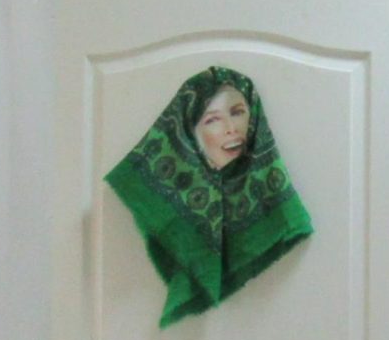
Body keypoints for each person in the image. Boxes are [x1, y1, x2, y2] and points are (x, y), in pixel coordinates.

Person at [103, 66, 312, 326]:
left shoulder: (268, 183)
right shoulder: (177, 189)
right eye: (212, 120)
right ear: (189, 133)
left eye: (238, 112)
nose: (231, 128)